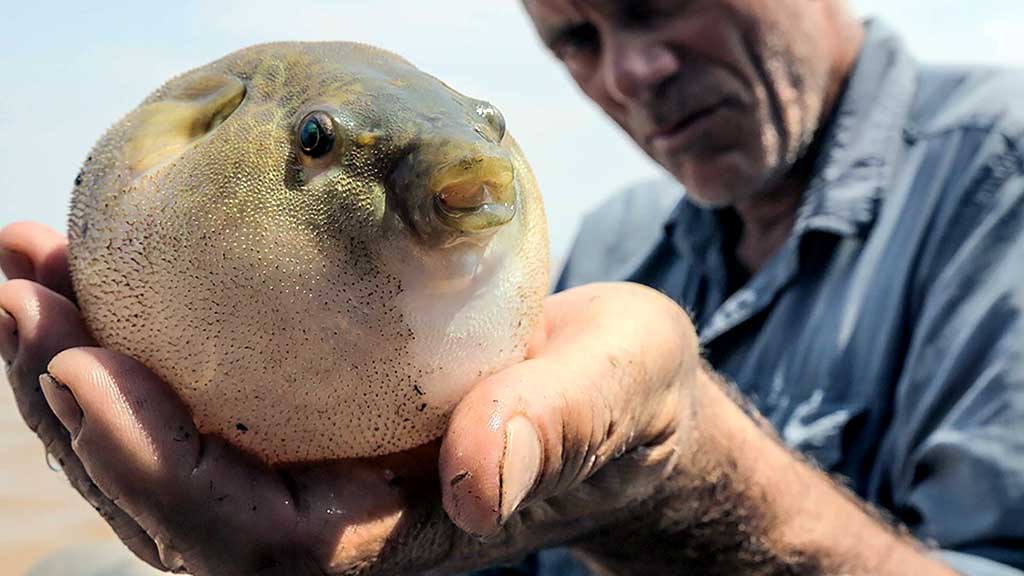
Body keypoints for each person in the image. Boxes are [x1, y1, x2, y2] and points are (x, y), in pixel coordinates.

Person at [2, 0, 1022, 574]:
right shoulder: (623, 238)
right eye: (575, 39)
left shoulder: (998, 177)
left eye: (658, 3)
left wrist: (672, 486)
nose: (633, 70)